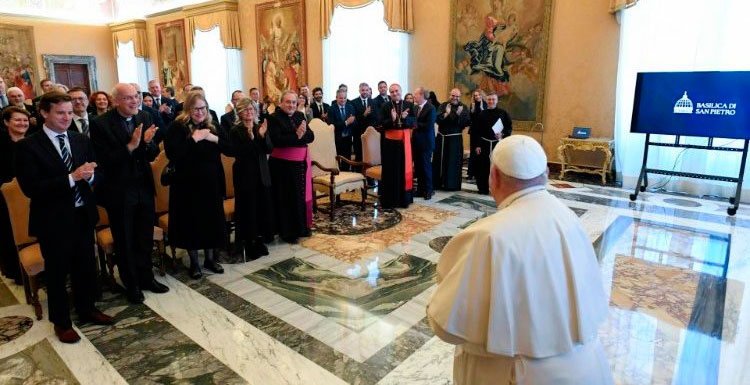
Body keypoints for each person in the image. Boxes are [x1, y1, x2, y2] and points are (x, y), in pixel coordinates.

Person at [427, 135, 613, 385]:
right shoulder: (568, 218)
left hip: (515, 376)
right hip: (587, 370)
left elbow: (445, 326)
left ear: (494, 176)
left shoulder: (488, 235)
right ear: (546, 173)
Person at [14, 92, 114, 343]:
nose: (67, 117)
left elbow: (96, 172)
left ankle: (87, 308)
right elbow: (31, 188)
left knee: (85, 267)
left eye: (70, 112)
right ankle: (61, 322)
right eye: (60, 113)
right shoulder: (29, 146)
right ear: (44, 113)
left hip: (82, 214)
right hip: (53, 220)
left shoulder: (80, 139)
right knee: (58, 274)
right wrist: (72, 178)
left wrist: (90, 176)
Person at [90, 83, 169, 304]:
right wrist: (132, 145)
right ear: (115, 101)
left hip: (143, 186)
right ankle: (131, 284)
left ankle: (147, 278)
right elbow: (104, 161)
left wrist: (147, 144)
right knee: (124, 240)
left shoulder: (144, 116)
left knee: (144, 237)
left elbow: (152, 152)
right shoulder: (100, 125)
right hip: (119, 190)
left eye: (136, 96)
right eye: (128, 98)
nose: (134, 101)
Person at [164, 91, 231, 278]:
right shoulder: (177, 127)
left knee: (211, 221)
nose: (200, 112)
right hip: (186, 185)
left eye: (203, 108)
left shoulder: (213, 126)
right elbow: (173, 154)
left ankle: (210, 259)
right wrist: (194, 139)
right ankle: (194, 264)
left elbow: (230, 147)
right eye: (196, 109)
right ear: (187, 110)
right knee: (191, 223)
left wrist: (213, 138)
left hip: (211, 183)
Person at [230, 98, 274, 258]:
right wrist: (251, 139)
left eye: (252, 109)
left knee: (262, 209)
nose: (249, 112)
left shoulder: (259, 127)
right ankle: (248, 243)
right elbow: (240, 153)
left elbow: (269, 148)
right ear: (239, 112)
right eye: (245, 109)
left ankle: (259, 240)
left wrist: (261, 136)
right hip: (245, 175)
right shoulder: (236, 130)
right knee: (248, 210)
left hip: (261, 173)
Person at [268, 90, 314, 243]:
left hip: (300, 163)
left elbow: (311, 136)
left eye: (294, 102)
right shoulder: (274, 118)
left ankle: (301, 227)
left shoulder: (300, 116)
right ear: (281, 103)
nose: (291, 105)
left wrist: (301, 135)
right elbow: (277, 140)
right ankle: (288, 232)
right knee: (287, 198)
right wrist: (297, 136)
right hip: (282, 166)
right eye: (288, 102)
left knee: (300, 196)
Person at [0, 107, 30, 285]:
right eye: (17, 120)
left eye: (25, 120)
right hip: (6, 198)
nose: (22, 123)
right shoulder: (2, 145)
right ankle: (17, 271)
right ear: (6, 122)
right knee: (10, 233)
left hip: (31, 195)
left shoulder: (33, 142)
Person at [378, 83, 415, 208]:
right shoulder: (385, 106)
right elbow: (381, 124)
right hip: (389, 145)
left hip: (404, 144)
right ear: (390, 93)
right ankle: (389, 200)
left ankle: (404, 200)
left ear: (401, 91)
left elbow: (414, 122)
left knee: (404, 170)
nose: (395, 93)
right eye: (392, 91)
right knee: (390, 171)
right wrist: (392, 120)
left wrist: (404, 118)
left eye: (396, 91)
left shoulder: (409, 105)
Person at [471, 92, 511, 194]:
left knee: (497, 167)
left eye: (493, 99)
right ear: (486, 101)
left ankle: (497, 189)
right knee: (482, 168)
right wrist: (477, 145)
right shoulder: (481, 114)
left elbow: (509, 128)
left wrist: (502, 134)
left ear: (497, 101)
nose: (491, 101)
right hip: (483, 144)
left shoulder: (503, 113)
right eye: (489, 100)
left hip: (497, 144)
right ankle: (483, 188)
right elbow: (476, 131)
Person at [433, 88, 470, 191]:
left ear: (460, 97)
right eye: (453, 96)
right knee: (440, 161)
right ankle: (438, 183)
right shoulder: (444, 105)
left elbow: (466, 122)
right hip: (442, 139)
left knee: (453, 162)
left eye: (457, 96)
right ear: (450, 95)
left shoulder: (464, 107)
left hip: (455, 140)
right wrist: (447, 114)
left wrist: (458, 115)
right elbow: (437, 119)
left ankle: (451, 185)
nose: (455, 98)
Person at [411, 87, 437, 200]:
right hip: (416, 143)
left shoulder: (431, 108)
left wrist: (414, 123)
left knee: (426, 167)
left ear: (422, 95)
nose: (414, 96)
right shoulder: (416, 107)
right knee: (418, 167)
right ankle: (420, 190)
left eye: (415, 94)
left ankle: (428, 190)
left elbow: (428, 125)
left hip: (426, 143)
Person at [328, 89, 356, 170]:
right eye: (341, 98)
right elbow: (331, 125)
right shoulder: (331, 109)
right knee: (337, 162)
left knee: (347, 161)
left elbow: (354, 122)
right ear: (336, 98)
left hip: (348, 138)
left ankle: (346, 177)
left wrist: (352, 121)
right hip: (337, 139)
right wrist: (346, 122)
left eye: (344, 98)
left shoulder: (350, 107)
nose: (343, 100)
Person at [351, 82, 376, 165]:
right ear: (359, 91)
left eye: (366, 90)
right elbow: (353, 119)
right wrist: (364, 115)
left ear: (369, 91)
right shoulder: (353, 102)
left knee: (370, 155)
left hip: (370, 135)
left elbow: (376, 117)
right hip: (358, 134)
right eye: (362, 90)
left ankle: (370, 176)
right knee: (359, 156)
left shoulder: (373, 102)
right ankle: (359, 175)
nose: (364, 92)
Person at [468, 89, 488, 180]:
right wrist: (471, 111)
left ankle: (479, 172)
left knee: (480, 152)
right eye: (475, 95)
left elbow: (485, 118)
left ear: (482, 95)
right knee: (473, 151)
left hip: (482, 132)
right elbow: (471, 119)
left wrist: (482, 109)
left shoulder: (485, 104)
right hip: (474, 131)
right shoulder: (472, 105)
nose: (477, 97)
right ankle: (471, 173)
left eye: (478, 95)